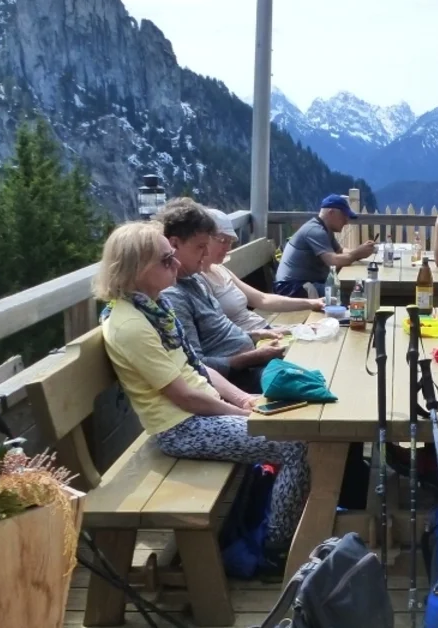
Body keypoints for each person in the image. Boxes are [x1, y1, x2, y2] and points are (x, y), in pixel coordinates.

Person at [95, 220, 308, 558]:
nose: (176, 264)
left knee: (293, 423)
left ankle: (270, 524)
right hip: (180, 428)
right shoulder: (130, 325)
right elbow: (183, 396)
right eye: (165, 260)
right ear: (135, 269)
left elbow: (197, 367)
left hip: (199, 413)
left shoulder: (154, 308)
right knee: (295, 445)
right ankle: (275, 546)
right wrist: (243, 413)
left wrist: (242, 397)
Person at [156, 199, 284, 394]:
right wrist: (253, 357)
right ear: (174, 244)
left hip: (253, 364)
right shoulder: (173, 295)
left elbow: (217, 330)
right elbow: (197, 366)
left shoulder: (194, 279)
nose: (206, 252)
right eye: (200, 246)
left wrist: (254, 335)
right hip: (238, 381)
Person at [201, 208, 323, 332]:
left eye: (231, 241)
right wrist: (289, 330)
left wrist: (312, 303)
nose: (228, 247)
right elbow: (219, 335)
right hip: (254, 340)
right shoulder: (198, 281)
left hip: (263, 329)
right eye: (223, 240)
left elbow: (262, 299)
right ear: (203, 239)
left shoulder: (220, 270)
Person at [274, 194, 376, 297]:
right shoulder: (315, 231)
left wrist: (362, 250)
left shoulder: (325, 230)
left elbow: (340, 251)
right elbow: (333, 262)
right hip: (291, 287)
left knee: (353, 294)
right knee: (350, 297)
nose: (346, 221)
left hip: (302, 284)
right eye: (344, 216)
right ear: (331, 213)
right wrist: (357, 253)